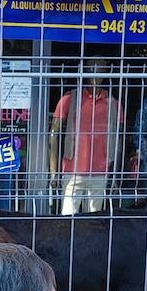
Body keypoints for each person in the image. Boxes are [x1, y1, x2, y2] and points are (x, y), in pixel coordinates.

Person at [49, 58, 122, 214]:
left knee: (94, 223)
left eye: (100, 68)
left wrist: (115, 174)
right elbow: (53, 134)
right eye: (91, 68)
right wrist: (53, 172)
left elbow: (119, 140)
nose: (95, 72)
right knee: (68, 220)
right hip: (72, 172)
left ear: (106, 72)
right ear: (84, 70)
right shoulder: (70, 99)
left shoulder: (113, 104)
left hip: (100, 173)